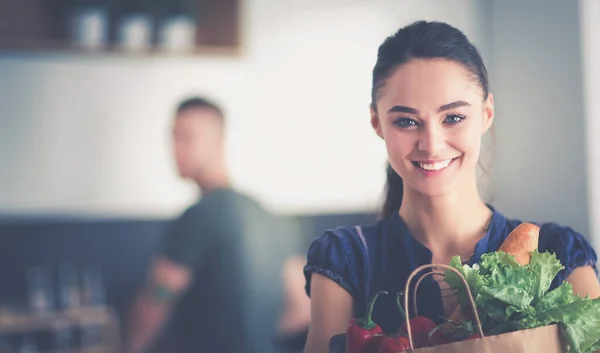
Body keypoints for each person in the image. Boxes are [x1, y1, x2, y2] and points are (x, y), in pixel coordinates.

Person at [302, 21, 600, 353]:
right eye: (406, 121)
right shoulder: (345, 260)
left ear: (486, 113)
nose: (431, 145)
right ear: (377, 123)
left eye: (453, 117)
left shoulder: (559, 255)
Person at [123, 97, 301, 353]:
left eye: (187, 138)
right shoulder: (270, 216)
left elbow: (156, 302)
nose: (175, 149)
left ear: (218, 142)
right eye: (173, 137)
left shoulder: (199, 216)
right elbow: (301, 308)